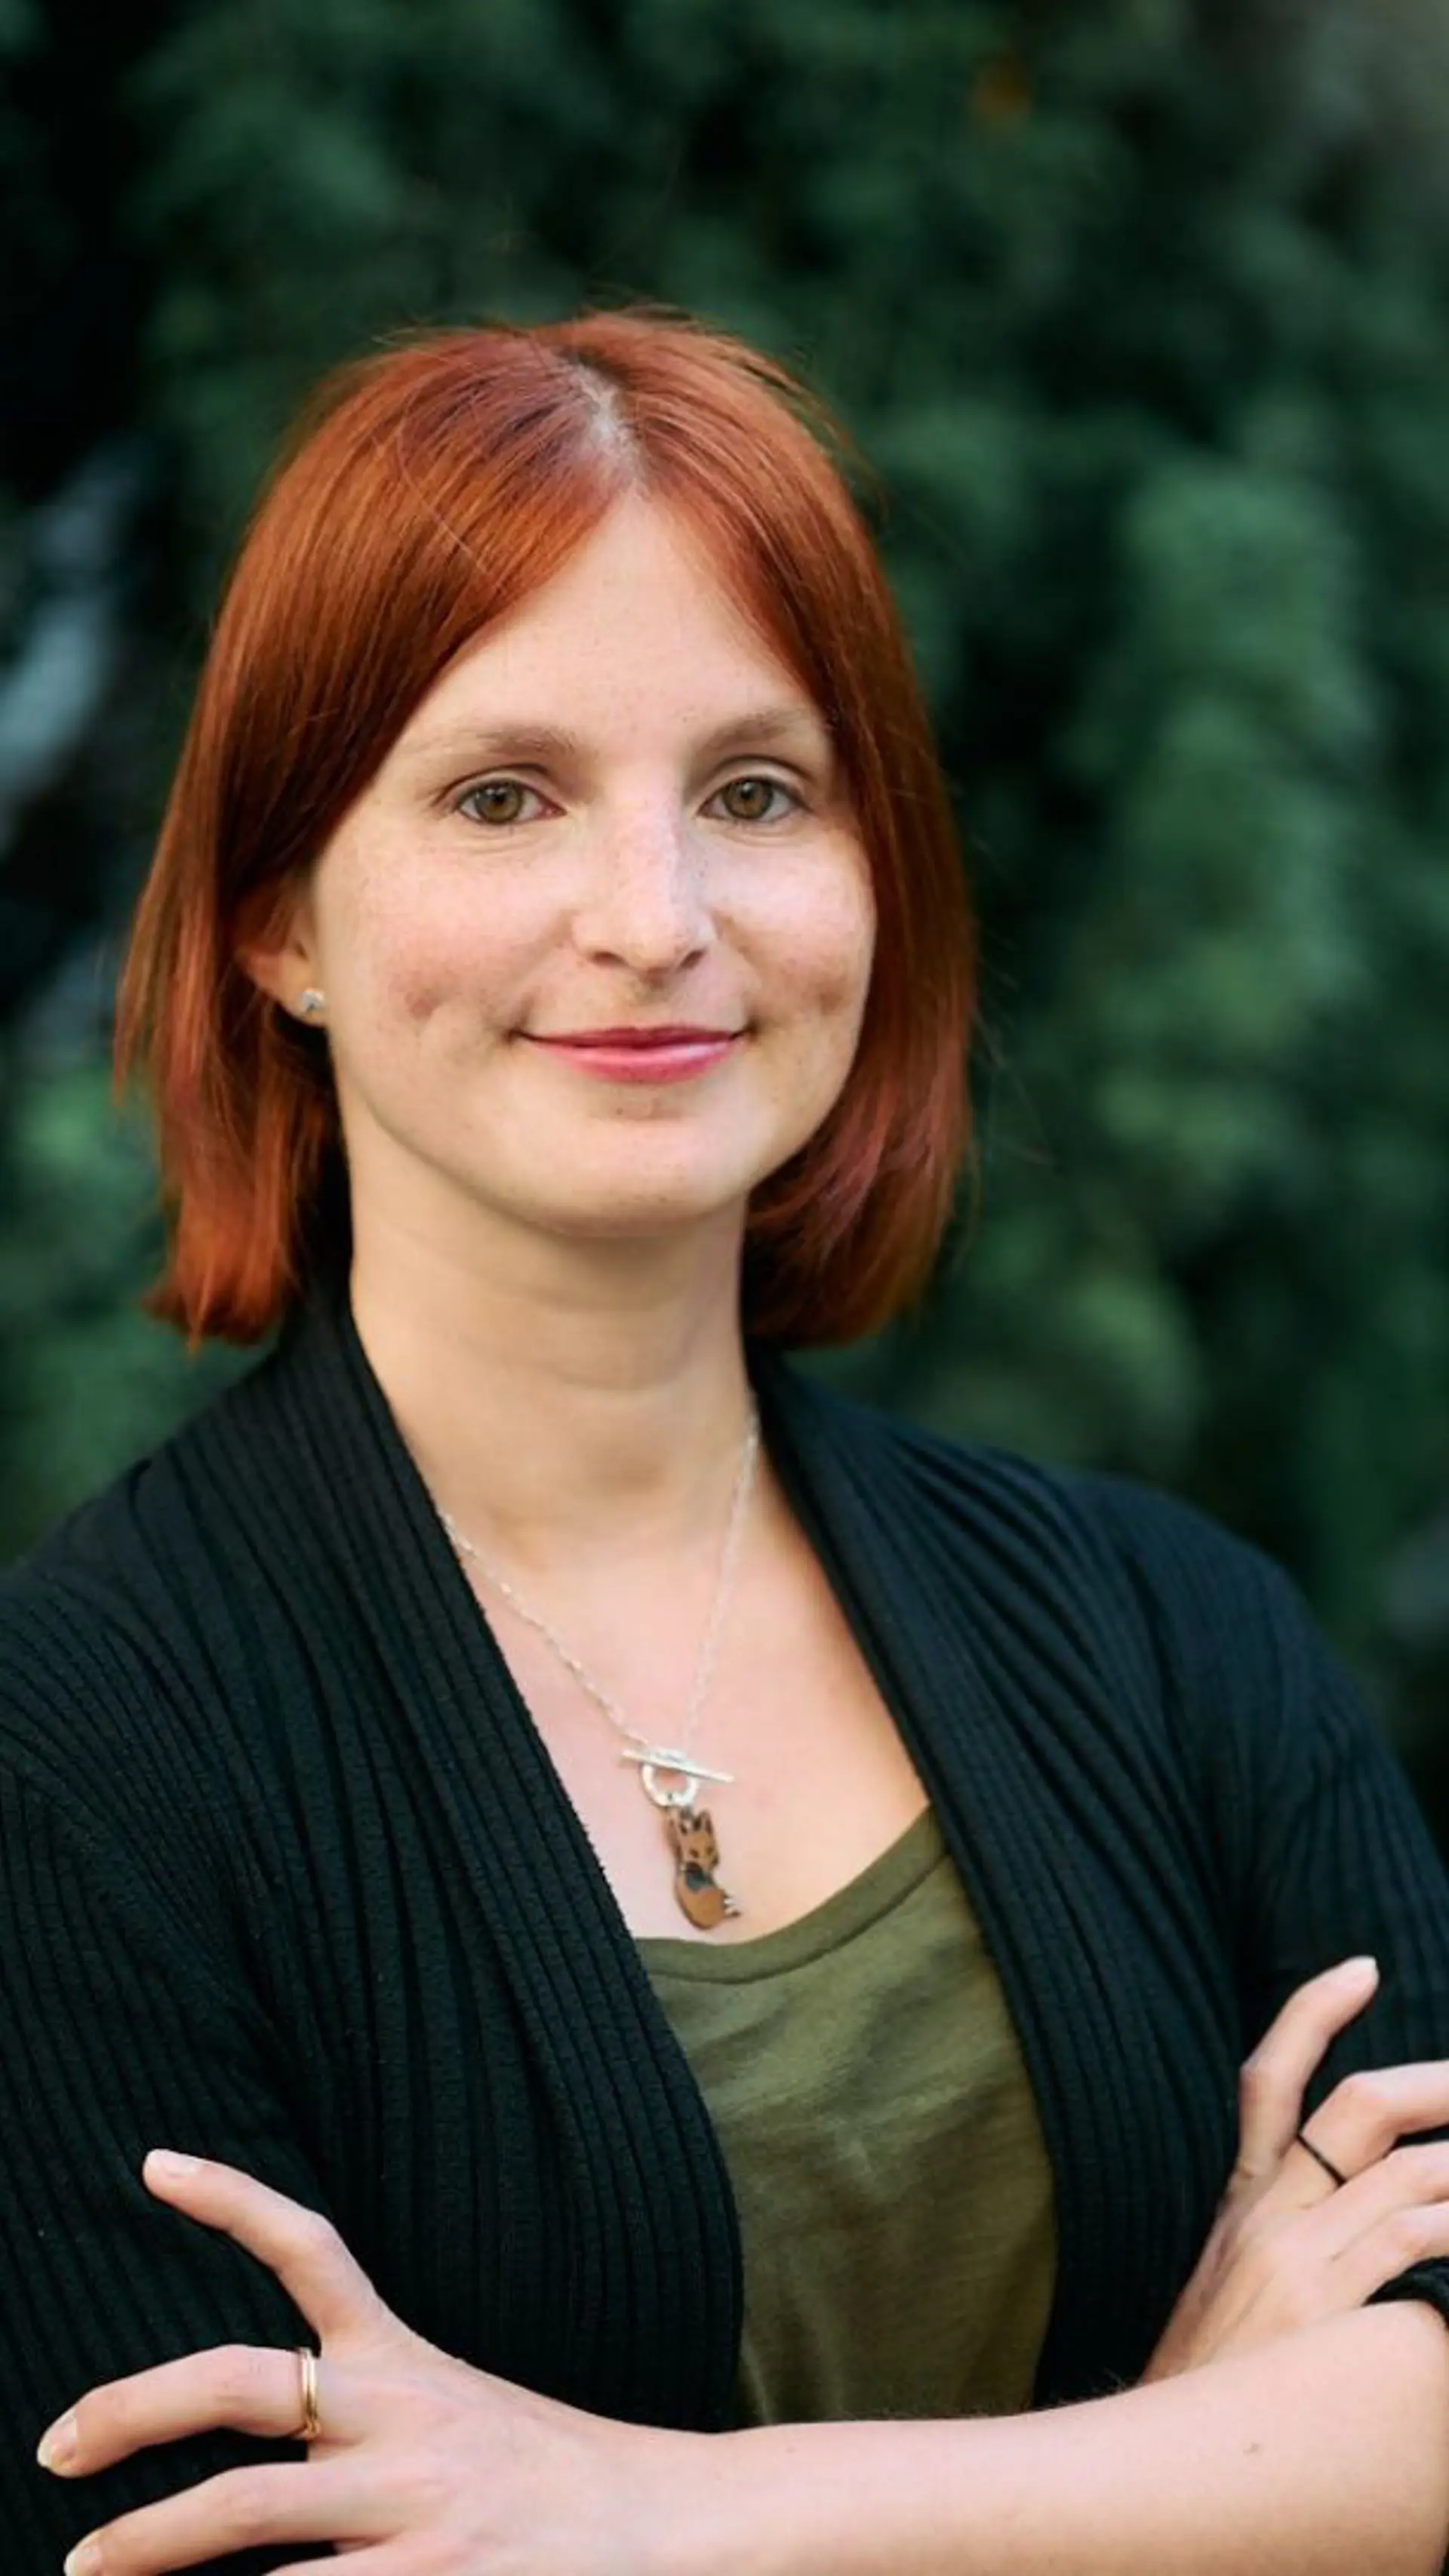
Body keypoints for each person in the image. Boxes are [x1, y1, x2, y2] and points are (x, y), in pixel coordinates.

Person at [2, 309, 1448, 2576]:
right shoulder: (78, 1761)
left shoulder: (1178, 1639)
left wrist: (654, 2514)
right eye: (504, 794)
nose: (656, 921)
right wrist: (1207, 2459)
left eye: (759, 792)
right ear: (280, 916)